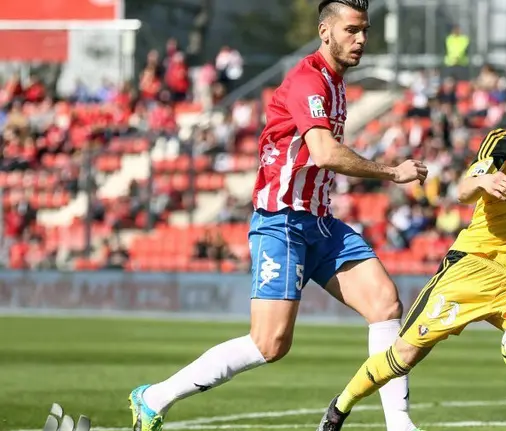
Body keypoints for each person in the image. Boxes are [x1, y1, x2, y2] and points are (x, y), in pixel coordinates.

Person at [128, 1, 428, 431]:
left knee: (385, 303)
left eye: (365, 30)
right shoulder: (310, 79)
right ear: (325, 31)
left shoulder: (337, 82)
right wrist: (390, 172)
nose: (361, 39)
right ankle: (154, 397)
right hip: (281, 221)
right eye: (351, 30)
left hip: (320, 222)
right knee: (269, 343)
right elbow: (324, 152)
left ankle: (399, 425)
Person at [316, 71, 506, 431]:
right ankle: (340, 407)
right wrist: (484, 180)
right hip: (472, 270)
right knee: (404, 356)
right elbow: (463, 190)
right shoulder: (503, 144)